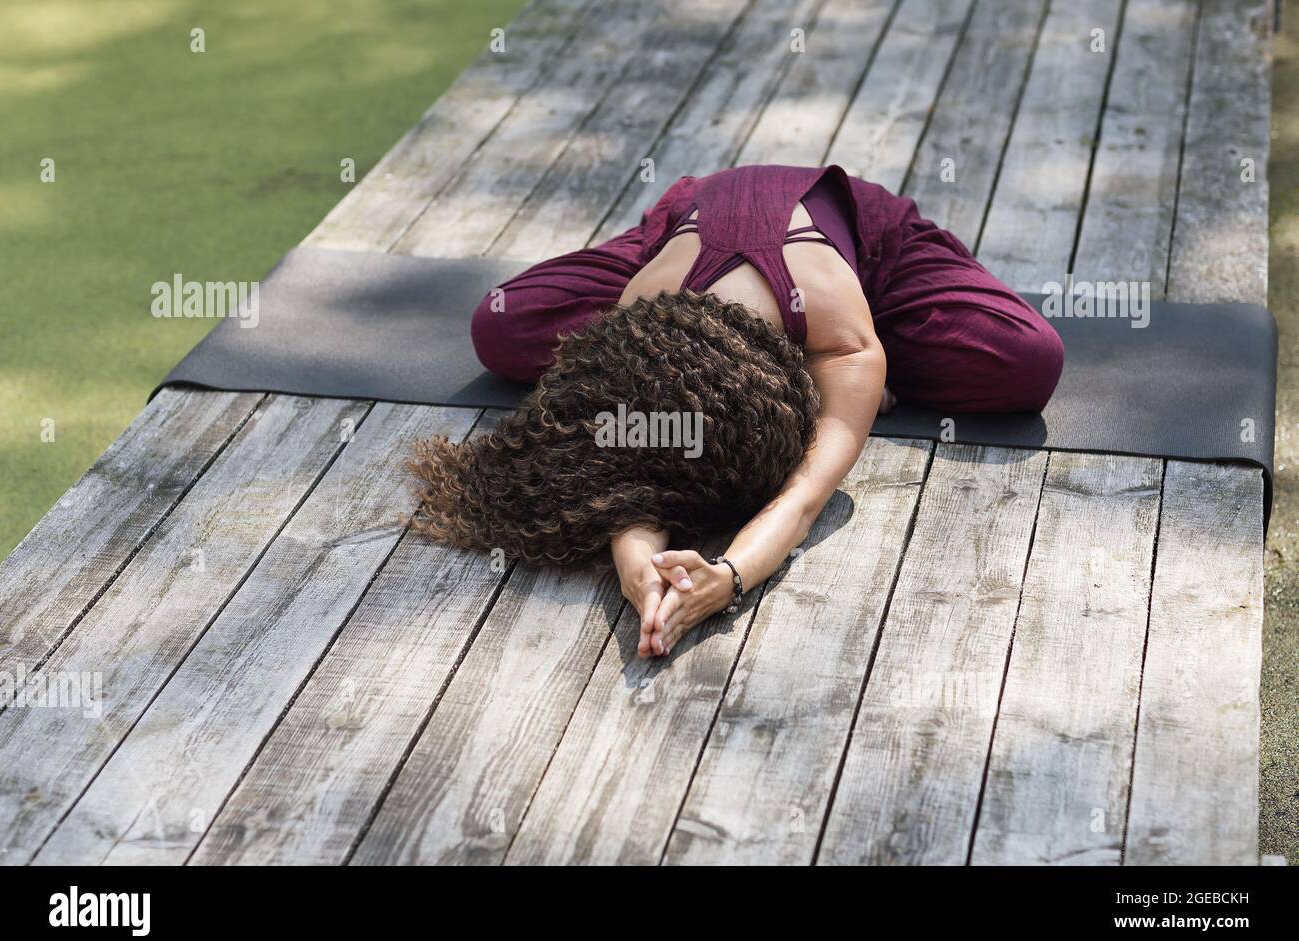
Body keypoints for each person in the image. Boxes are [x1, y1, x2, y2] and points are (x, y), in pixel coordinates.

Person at [411, 165, 1063, 658]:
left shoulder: (843, 337)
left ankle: (856, 365)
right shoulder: (644, 317)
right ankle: (849, 380)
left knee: (1027, 360)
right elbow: (626, 457)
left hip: (859, 241)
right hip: (690, 239)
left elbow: (805, 499)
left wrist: (730, 578)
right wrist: (638, 571)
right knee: (499, 327)